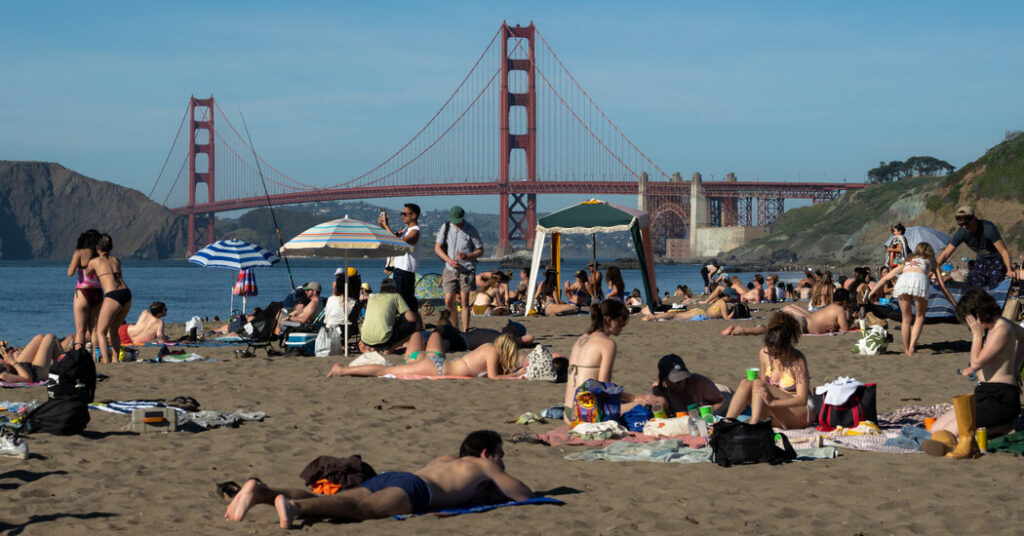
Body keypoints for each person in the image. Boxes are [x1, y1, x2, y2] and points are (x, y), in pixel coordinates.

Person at [224, 430, 533, 528]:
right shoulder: (485, 466)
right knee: (363, 510)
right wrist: (498, 474)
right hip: (417, 490)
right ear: (486, 453)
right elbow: (524, 495)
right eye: (500, 454)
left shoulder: (446, 460)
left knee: (334, 500)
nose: (502, 460)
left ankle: (262, 491)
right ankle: (294, 508)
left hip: (398, 477)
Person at [923, 289, 1024, 458]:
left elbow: (976, 363)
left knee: (951, 432)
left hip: (1000, 398)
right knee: (935, 429)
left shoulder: (1002, 328)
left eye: (970, 321)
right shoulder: (995, 326)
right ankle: (1000, 426)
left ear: (978, 315)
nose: (970, 326)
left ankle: (1002, 425)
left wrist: (977, 335)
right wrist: (1015, 367)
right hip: (984, 392)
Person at [725, 312, 812, 429]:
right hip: (775, 410)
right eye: (771, 353)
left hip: (799, 411)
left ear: (787, 347)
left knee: (758, 383)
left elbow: (802, 400)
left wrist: (773, 403)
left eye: (778, 354)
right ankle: (726, 423)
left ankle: (754, 426)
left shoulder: (797, 360)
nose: (774, 357)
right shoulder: (764, 354)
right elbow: (760, 387)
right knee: (746, 383)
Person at [563, 300, 649, 416]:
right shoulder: (608, 344)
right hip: (585, 414)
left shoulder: (581, 339)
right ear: (608, 320)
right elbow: (604, 386)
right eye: (621, 320)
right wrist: (633, 398)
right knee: (649, 404)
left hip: (568, 412)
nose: (623, 325)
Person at [869, 243, 956, 356]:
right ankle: (911, 348)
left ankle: (906, 350)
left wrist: (872, 292)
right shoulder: (932, 261)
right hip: (920, 281)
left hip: (903, 281)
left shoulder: (908, 260)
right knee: (919, 317)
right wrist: (955, 304)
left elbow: (886, 278)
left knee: (906, 319)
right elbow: (943, 287)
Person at [329, 333, 524, 379]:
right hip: (438, 368)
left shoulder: (490, 347)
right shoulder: (492, 352)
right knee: (387, 370)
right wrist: (516, 374)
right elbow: (493, 378)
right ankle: (342, 370)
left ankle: (344, 370)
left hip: (438, 363)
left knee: (431, 335)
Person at [936, 206, 1013, 287]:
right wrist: (933, 269)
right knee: (977, 284)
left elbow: (1003, 251)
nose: (964, 227)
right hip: (981, 259)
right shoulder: (962, 233)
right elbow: (946, 253)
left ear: (974, 219)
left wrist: (1009, 270)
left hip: (996, 259)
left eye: (966, 223)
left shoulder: (988, 228)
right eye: (961, 224)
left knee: (995, 283)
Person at [722, 288, 853, 336]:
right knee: (769, 330)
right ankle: (741, 330)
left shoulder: (831, 307)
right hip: (801, 325)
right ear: (845, 301)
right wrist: (852, 318)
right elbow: (845, 329)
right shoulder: (840, 309)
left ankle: (743, 329)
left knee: (771, 328)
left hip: (802, 322)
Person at [435, 205, 484, 331]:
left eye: (458, 221)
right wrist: (449, 261)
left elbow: (480, 251)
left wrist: (467, 255)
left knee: (464, 302)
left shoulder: (471, 230)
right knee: (448, 301)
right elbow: (437, 248)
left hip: (467, 269)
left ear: (463, 217)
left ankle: (465, 330)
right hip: (450, 268)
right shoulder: (445, 227)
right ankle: (455, 327)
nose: (456, 224)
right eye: (454, 222)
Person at [86, 234, 131, 364]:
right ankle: (116, 359)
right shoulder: (116, 260)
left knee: (100, 332)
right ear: (111, 247)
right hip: (126, 293)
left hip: (113, 295)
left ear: (97, 247)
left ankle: (106, 361)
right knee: (113, 330)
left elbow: (88, 273)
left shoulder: (94, 262)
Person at [380, 203, 422, 329]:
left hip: (404, 272)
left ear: (413, 215)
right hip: (402, 272)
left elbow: (397, 242)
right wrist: (383, 226)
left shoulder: (415, 231)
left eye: (405, 213)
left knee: (404, 307)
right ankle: (419, 330)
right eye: (401, 213)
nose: (402, 216)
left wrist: (386, 226)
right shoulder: (406, 230)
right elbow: (392, 236)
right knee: (410, 306)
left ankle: (413, 330)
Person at [648, 354, 731, 417]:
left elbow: (722, 400)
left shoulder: (699, 382)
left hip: (722, 392)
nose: (680, 381)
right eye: (675, 379)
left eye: (682, 377)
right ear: (664, 379)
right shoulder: (659, 389)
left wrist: (708, 412)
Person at [358, 278, 418, 354]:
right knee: (413, 326)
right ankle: (390, 350)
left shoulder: (372, 297)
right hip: (384, 340)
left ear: (381, 289)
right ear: (394, 288)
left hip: (365, 339)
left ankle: (372, 348)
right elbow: (412, 318)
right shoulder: (396, 296)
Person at [68, 229, 102, 349]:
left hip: (83, 292)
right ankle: (95, 357)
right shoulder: (100, 254)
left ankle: (79, 355)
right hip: (98, 292)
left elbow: (70, 273)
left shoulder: (79, 252)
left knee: (80, 331)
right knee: (94, 330)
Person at [642, 287, 738, 321]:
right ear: (728, 296)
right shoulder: (723, 303)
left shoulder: (718, 301)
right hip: (701, 314)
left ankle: (653, 317)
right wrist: (734, 312)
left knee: (675, 315)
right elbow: (726, 318)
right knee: (674, 316)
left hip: (699, 312)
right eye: (731, 298)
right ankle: (653, 317)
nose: (732, 300)